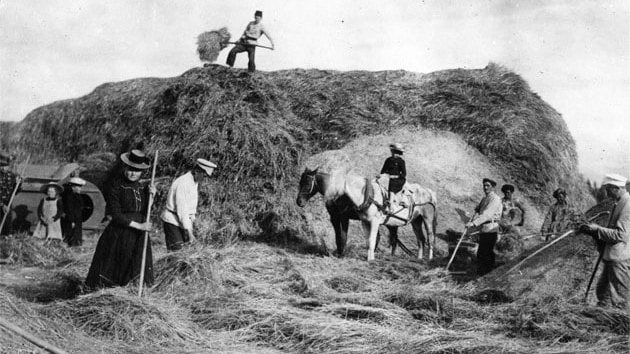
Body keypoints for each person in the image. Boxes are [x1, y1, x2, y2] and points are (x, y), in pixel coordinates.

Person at [85, 149, 155, 289]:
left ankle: (134, 291)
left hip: (139, 235)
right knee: (116, 266)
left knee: (136, 264)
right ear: (125, 168)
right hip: (120, 233)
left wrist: (151, 197)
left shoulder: (142, 187)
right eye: (130, 169)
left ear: (142, 172)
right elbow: (116, 215)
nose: (132, 173)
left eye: (136, 170)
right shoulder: (116, 186)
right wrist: (139, 226)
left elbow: (145, 210)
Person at [580, 173, 630, 310]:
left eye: (608, 189)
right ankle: (604, 316)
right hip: (612, 255)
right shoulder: (619, 203)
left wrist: (597, 229)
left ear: (616, 188)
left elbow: (620, 235)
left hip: (620, 257)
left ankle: (621, 324)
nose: (606, 192)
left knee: (619, 296)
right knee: (603, 290)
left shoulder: (627, 205)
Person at [161, 158, 217, 251]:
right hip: (173, 221)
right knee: (177, 253)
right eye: (204, 175)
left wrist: (194, 223)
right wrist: (189, 233)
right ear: (196, 171)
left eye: (206, 176)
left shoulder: (194, 182)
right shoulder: (183, 183)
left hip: (183, 221)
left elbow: (190, 208)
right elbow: (182, 210)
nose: (205, 178)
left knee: (187, 252)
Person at [466, 178, 503, 276]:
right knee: (481, 253)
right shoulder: (485, 198)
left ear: (493, 187)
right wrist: (478, 209)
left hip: (491, 228)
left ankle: (487, 274)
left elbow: (487, 214)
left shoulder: (495, 199)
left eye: (488, 185)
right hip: (484, 229)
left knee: (486, 253)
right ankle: (481, 274)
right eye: (484, 185)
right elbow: (481, 210)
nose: (485, 187)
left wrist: (474, 223)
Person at [380, 143, 407, 210]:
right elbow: (383, 171)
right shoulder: (388, 160)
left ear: (399, 153)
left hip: (398, 179)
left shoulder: (401, 161)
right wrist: (382, 175)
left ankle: (391, 202)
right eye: (394, 152)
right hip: (388, 178)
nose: (395, 154)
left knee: (392, 184)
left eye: (397, 153)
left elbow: (404, 174)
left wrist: (394, 176)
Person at [61, 177, 86, 247]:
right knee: (72, 233)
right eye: (79, 187)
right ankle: (72, 245)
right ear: (73, 187)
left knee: (77, 232)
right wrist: (72, 221)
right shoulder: (69, 196)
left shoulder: (77, 195)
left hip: (77, 218)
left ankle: (77, 244)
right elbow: (70, 209)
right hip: (72, 218)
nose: (80, 189)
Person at [0, 154, 19, 235]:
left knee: (7, 219)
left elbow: (15, 191)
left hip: (8, 201)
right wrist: (2, 204)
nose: (4, 168)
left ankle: (7, 235)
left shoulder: (11, 175)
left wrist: (19, 183)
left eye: (6, 166)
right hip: (0, 201)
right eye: (1, 166)